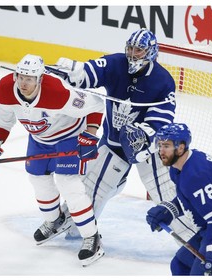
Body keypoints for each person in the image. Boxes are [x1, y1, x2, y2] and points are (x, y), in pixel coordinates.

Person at [47, 28, 197, 240]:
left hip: (149, 147)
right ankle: (77, 224)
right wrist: (74, 73)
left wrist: (144, 135)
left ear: (151, 52)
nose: (133, 53)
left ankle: (193, 233)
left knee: (165, 190)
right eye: (130, 48)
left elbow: (162, 118)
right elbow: (91, 72)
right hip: (114, 143)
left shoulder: (163, 81)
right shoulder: (116, 63)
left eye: (139, 49)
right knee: (93, 186)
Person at [0, 54, 105, 266]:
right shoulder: (5, 89)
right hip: (39, 138)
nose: (23, 83)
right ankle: (55, 221)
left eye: (29, 79)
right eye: (20, 77)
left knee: (68, 183)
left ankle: (92, 237)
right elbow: (3, 122)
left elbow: (97, 105)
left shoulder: (58, 93)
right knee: (37, 179)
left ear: (40, 79)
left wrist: (89, 135)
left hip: (70, 136)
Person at [146, 123, 212, 275]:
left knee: (203, 275)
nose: (161, 151)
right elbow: (194, 197)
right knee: (181, 265)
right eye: (160, 145)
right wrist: (170, 210)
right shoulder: (180, 167)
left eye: (166, 146)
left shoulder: (196, 175)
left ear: (181, 148)